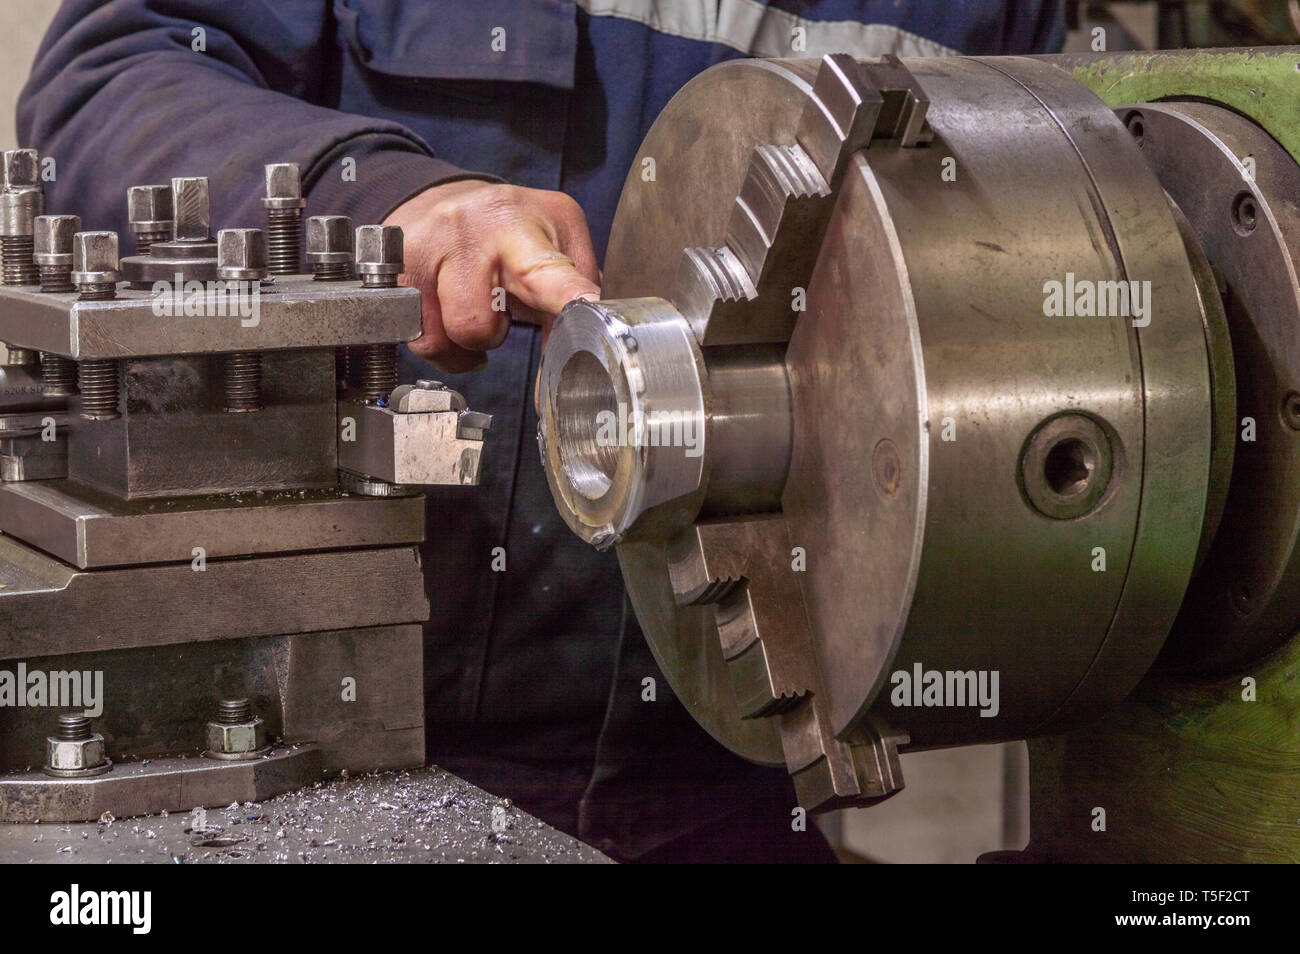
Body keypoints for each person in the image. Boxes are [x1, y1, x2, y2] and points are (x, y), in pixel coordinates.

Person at [18, 0, 1065, 863]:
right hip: (346, 758)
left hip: (742, 772)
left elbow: (1044, 231)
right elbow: (108, 81)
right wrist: (392, 200)